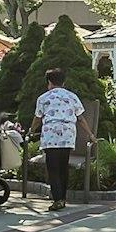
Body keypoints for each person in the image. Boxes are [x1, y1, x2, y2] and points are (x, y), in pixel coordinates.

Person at [28, 67, 89, 212]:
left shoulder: (43, 98)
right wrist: (90, 134)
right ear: (63, 81)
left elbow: (37, 118)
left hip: (51, 135)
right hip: (68, 135)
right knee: (63, 166)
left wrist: (31, 131)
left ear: (49, 82)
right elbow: (80, 119)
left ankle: (57, 200)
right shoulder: (72, 96)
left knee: (53, 167)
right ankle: (62, 197)